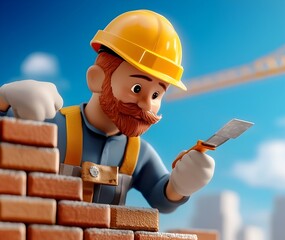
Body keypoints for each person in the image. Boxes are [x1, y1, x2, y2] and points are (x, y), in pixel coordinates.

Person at [0, 10, 215, 213]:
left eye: (156, 95)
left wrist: (180, 186)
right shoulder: (54, 124)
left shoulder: (138, 152)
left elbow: (161, 197)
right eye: (137, 88)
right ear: (98, 79)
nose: (146, 104)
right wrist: (4, 101)